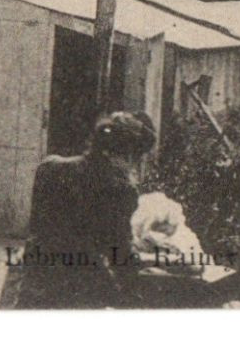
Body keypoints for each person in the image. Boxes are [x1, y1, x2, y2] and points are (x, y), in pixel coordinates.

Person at [16, 111, 157, 309]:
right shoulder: (121, 189)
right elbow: (119, 253)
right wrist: (135, 291)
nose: (135, 168)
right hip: (79, 290)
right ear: (128, 155)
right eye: (138, 159)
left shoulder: (50, 167)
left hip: (36, 283)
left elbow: (37, 229)